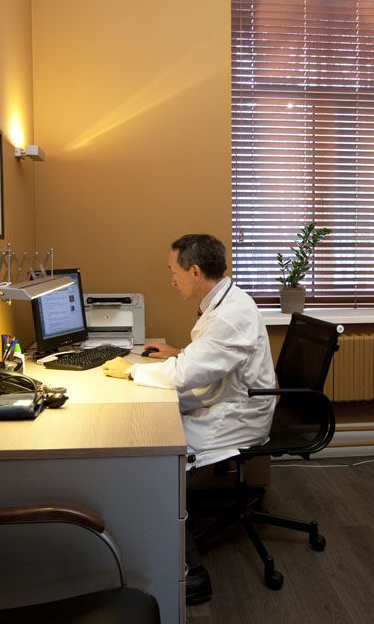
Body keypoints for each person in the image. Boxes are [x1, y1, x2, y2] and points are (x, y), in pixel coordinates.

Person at [102, 233, 276, 605]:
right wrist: (179, 353)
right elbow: (214, 357)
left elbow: (186, 373)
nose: (171, 280)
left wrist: (131, 370)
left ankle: (192, 574)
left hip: (241, 414)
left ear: (194, 271)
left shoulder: (230, 314)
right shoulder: (223, 301)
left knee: (160, 452)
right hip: (227, 396)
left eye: (174, 271)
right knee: (157, 422)